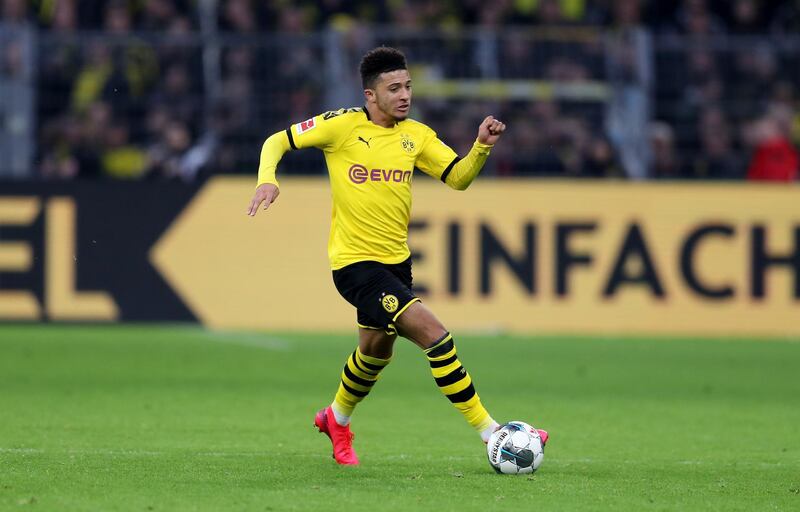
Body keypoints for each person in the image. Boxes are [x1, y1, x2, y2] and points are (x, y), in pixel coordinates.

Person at [246, 46, 548, 465]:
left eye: (407, 86)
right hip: (355, 265)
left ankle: (336, 418)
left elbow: (457, 178)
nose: (405, 94)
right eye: (394, 88)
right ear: (371, 95)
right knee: (436, 336)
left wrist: (480, 147)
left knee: (375, 353)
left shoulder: (416, 136)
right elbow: (277, 141)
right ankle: (491, 432)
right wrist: (267, 180)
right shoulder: (341, 126)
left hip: (396, 263)